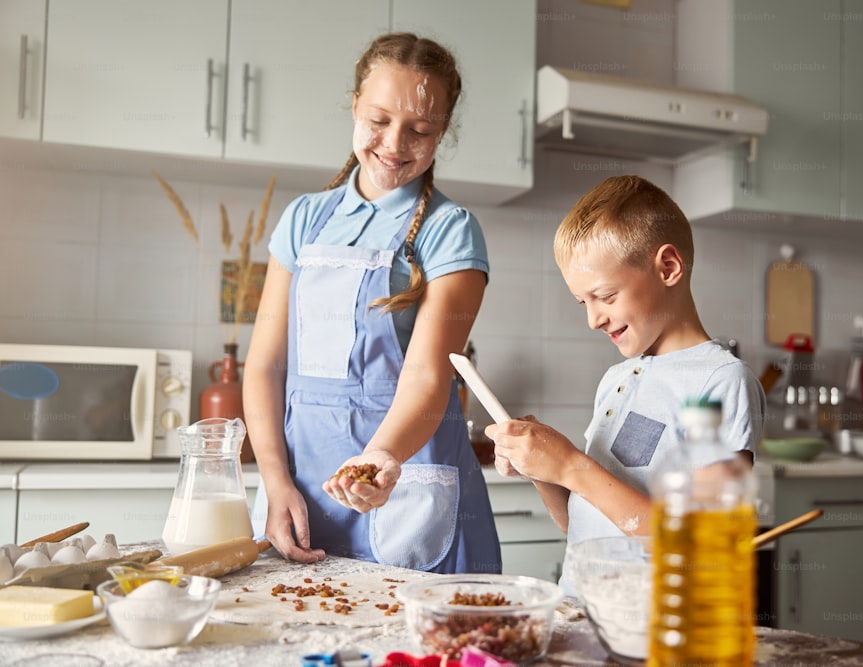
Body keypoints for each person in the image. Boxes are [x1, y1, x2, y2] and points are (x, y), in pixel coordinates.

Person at [243, 32, 501, 574]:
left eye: (420, 130)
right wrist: (274, 479)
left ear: (442, 134)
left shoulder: (449, 230)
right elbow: (266, 364)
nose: (395, 142)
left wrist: (381, 458)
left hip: (406, 483)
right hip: (308, 492)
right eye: (379, 120)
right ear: (354, 104)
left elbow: (432, 378)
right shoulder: (304, 219)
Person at [485, 175, 765, 591]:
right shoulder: (616, 379)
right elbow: (584, 529)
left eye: (606, 296)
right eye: (584, 302)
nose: (592, 319)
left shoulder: (718, 382)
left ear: (668, 268)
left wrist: (570, 464)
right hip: (584, 616)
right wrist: (543, 470)